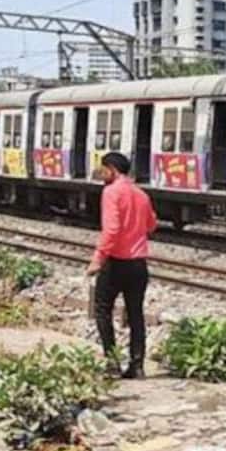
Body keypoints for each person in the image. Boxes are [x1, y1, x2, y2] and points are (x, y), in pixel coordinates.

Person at [88, 151, 158, 379]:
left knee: (102, 310)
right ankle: (137, 366)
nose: (101, 172)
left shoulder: (111, 192)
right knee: (136, 314)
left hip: (115, 263)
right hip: (138, 265)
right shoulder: (141, 195)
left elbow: (111, 229)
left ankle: (112, 362)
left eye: (103, 168)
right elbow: (151, 225)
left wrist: (98, 259)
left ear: (112, 169)